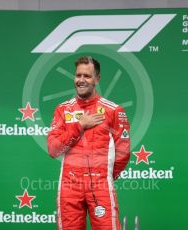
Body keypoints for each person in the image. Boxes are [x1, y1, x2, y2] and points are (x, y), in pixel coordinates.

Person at [47, 56, 130, 229]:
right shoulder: (63, 110)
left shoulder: (113, 110)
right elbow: (53, 149)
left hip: (100, 186)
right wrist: (80, 125)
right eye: (78, 76)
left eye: (87, 76)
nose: (81, 80)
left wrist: (104, 177)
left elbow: (123, 153)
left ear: (97, 79)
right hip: (69, 186)